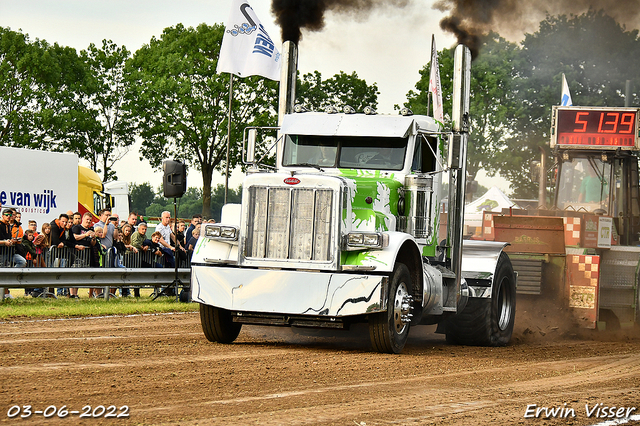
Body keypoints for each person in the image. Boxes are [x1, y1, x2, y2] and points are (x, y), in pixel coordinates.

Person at [0, 209, 26, 298]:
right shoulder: (0, 225)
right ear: (2, 215)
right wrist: (4, 242)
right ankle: (5, 293)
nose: (8, 216)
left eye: (10, 215)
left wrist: (13, 241)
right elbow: (3, 240)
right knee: (2, 273)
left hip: (10, 252)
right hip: (1, 253)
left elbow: (9, 239)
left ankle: (9, 281)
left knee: (22, 262)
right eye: (6, 215)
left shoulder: (9, 226)